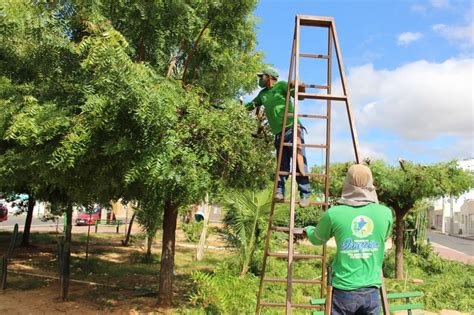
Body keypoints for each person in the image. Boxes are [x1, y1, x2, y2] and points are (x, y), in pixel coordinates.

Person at [304, 164, 393, 315]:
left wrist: (309, 230)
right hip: (372, 291)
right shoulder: (385, 213)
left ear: (347, 183)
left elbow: (317, 239)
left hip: (343, 291)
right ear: (371, 184)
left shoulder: (334, 214)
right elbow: (383, 237)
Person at [243, 67, 312, 208]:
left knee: (299, 161)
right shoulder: (263, 94)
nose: (260, 80)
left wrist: (299, 86)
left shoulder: (281, 86)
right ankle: (279, 192)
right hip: (279, 134)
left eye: (261, 77)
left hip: (292, 128)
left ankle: (305, 194)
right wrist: (237, 108)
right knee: (282, 164)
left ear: (269, 77)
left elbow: (300, 96)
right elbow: (250, 106)